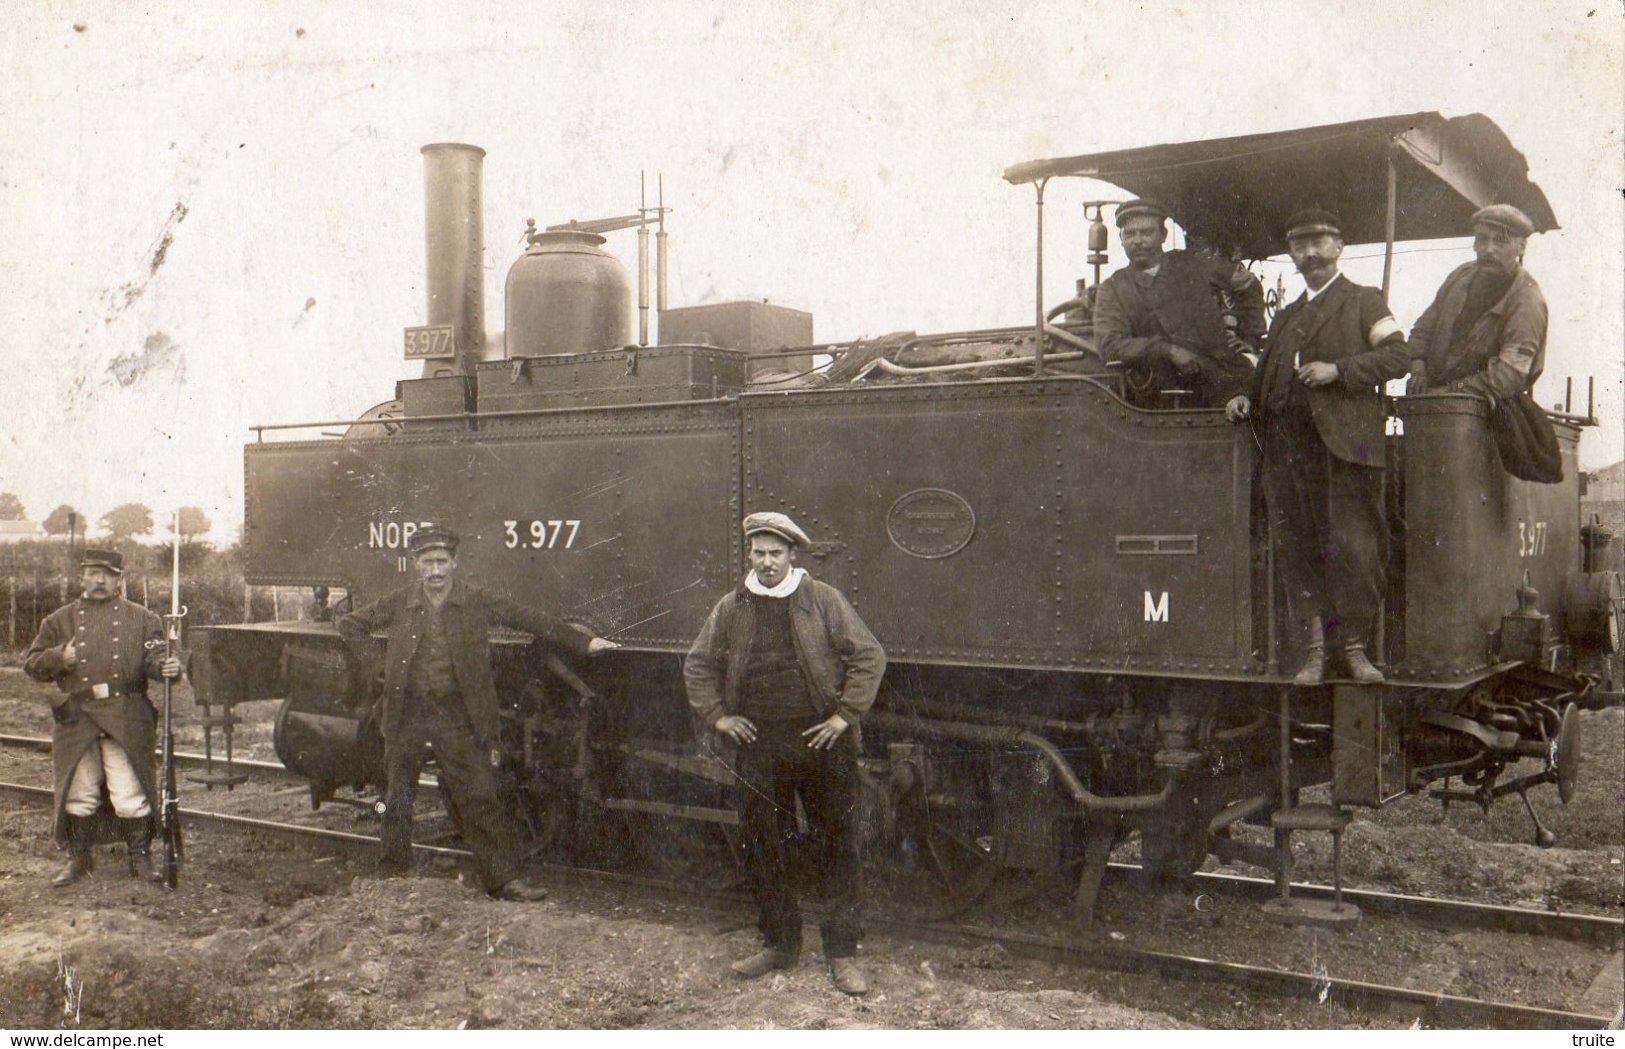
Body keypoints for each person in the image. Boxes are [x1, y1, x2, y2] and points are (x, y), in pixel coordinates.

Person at [336, 524, 619, 902]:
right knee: (397, 794)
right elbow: (349, 624)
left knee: (480, 795)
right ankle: (391, 872)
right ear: (416, 565)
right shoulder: (400, 602)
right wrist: (380, 668)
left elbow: (531, 619)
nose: (435, 571)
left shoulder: (475, 601)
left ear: (455, 562)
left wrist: (585, 642)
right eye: (427, 563)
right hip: (407, 714)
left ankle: (504, 880)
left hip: (456, 716)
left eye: (441, 562)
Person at [684, 512, 886, 996]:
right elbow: (697, 664)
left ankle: (842, 955)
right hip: (758, 743)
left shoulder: (821, 599)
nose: (768, 562)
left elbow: (868, 655)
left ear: (792, 556)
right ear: (749, 556)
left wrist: (844, 717)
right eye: (759, 553)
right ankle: (779, 945)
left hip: (821, 741)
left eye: (777, 553)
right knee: (762, 843)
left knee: (837, 844)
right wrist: (719, 717)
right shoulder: (733, 606)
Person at [1225, 209, 1409, 685]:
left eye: (1319, 242)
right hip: (1289, 453)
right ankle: (1314, 653)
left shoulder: (1364, 301)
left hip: (1347, 452)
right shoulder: (1285, 317)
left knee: (1354, 547)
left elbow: (1398, 356)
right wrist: (1247, 394)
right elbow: (1264, 372)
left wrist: (1339, 370)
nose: (1309, 252)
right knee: (1298, 549)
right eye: (1299, 244)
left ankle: (1354, 651)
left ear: (1338, 247)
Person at [23, 548, 183, 886]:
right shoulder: (59, 620)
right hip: (77, 717)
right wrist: (58, 658)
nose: (100, 580)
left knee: (130, 790)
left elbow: (155, 655)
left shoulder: (141, 618)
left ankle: (139, 857)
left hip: (124, 715)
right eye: (93, 572)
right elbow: (32, 664)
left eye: (108, 574)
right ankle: (79, 859)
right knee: (78, 789)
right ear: (81, 576)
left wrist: (166, 666)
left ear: (119, 579)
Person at [1093, 198, 1265, 408]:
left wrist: (1250, 338)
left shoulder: (1193, 263)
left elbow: (1248, 284)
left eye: (1147, 232)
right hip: (1163, 397)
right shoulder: (1113, 288)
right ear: (1120, 238)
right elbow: (1110, 345)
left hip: (1227, 382)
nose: (1137, 241)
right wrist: (1168, 351)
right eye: (1129, 234)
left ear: (1163, 235)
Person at [1405, 204, 1547, 400]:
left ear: (1521, 247)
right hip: (1436, 397)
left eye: (1500, 241)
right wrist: (1418, 366)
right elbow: (1423, 329)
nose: (1488, 249)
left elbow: (1509, 374)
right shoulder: (1460, 277)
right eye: (1482, 239)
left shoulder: (1527, 299)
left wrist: (1453, 390)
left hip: (1491, 408)